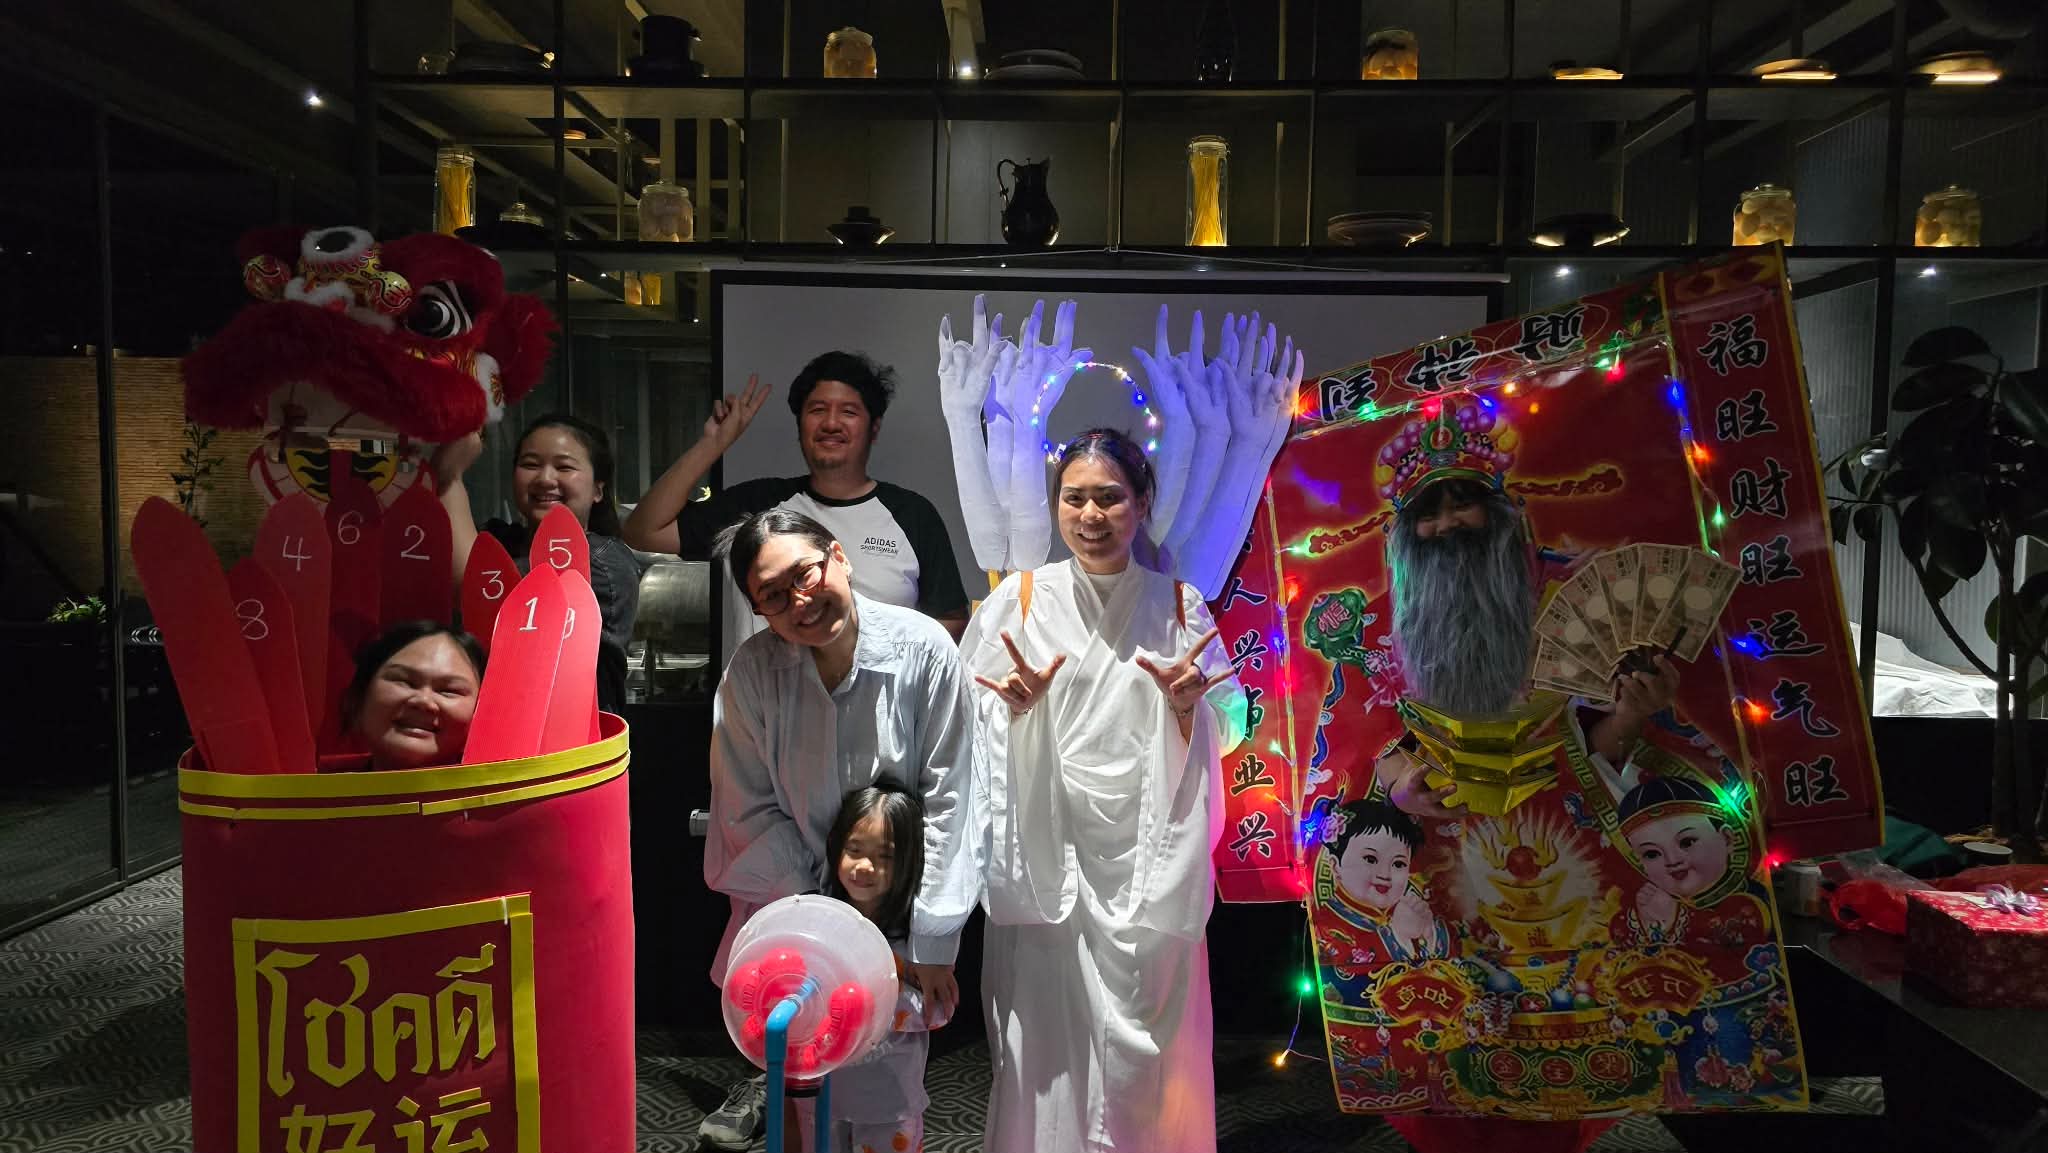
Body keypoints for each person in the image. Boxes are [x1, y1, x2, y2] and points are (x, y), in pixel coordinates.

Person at [963, 428, 1243, 1153]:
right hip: (1047, 853)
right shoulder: (1018, 601)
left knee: (1147, 1055)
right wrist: (1011, 713)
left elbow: (1234, 719)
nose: (1091, 515)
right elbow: (967, 714)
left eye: (1110, 497)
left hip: (1149, 860)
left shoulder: (1179, 605)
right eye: (1074, 498)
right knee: (1044, 1046)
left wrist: (1189, 711)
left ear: (1142, 502)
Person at [700, 509, 977, 1151]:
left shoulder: (922, 648)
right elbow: (745, 809)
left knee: (887, 1099)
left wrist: (933, 936)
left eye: (805, 574)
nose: (799, 602)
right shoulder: (752, 673)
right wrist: (823, 927)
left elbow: (955, 796)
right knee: (799, 1088)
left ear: (839, 558)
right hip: (793, 923)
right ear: (758, 610)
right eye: (772, 595)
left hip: (899, 924)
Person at [622, 352, 970, 656]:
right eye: (817, 410)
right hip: (762, 707)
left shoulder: (912, 515)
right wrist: (713, 444)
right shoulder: (755, 506)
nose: (831, 423)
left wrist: (876, 661)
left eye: (848, 411)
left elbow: (951, 622)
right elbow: (643, 532)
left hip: (879, 710)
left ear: (874, 428)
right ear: (800, 424)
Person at [432, 413, 641, 714]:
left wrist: (450, 477)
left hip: (569, 734)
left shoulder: (600, 560)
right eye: (530, 464)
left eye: (564, 467)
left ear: (598, 489)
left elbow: (477, 596)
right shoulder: (501, 539)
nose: (545, 479)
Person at [786, 782, 948, 1153]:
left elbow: (939, 1009)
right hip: (823, 1098)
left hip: (888, 1103)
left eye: (884, 856)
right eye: (854, 850)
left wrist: (880, 1003)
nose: (865, 866)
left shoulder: (917, 942)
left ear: (906, 862)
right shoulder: (819, 925)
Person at [338, 620, 486, 772]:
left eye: (449, 690)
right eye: (404, 681)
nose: (423, 701)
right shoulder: (324, 785)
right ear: (359, 697)